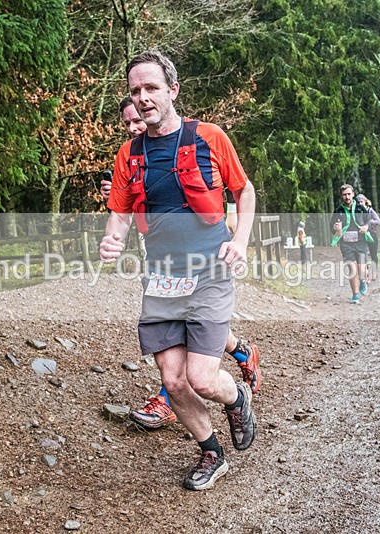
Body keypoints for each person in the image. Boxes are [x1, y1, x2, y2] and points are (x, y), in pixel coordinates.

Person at [100, 49, 257, 491]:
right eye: (136, 90)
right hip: (163, 276)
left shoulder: (208, 137)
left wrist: (239, 241)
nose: (143, 97)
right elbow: (121, 211)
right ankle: (212, 452)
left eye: (152, 88)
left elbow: (244, 193)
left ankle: (237, 395)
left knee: (202, 379)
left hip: (210, 269)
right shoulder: (128, 154)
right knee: (172, 379)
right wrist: (114, 237)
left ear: (172, 90)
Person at [331, 184, 371, 304]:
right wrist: (336, 228)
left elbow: (368, 220)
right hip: (346, 244)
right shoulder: (338, 211)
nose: (347, 197)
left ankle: (363, 280)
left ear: (353, 194)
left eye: (349, 194)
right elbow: (331, 228)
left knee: (361, 267)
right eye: (344, 195)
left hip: (361, 242)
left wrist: (366, 227)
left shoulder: (360, 208)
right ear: (341, 196)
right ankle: (355, 294)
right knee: (352, 268)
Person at [356, 194, 380, 281]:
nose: (360, 203)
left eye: (361, 201)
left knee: (373, 255)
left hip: (372, 235)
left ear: (365, 202)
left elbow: (378, 222)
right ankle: (366, 274)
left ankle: (374, 272)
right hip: (362, 236)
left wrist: (368, 222)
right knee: (363, 256)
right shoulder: (356, 212)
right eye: (358, 202)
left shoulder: (370, 210)